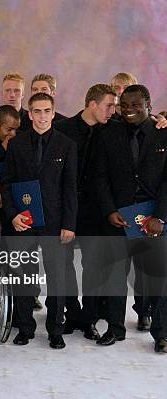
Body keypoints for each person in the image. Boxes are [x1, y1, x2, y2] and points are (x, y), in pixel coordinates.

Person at [93, 84, 167, 353]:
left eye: (135, 105)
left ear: (148, 103)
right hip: (119, 218)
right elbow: (99, 177)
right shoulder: (108, 134)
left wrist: (160, 216)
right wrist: (110, 210)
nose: (129, 110)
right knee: (113, 276)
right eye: (124, 106)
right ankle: (115, 328)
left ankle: (163, 334)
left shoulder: (164, 133)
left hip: (154, 219)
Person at [1, 92, 77, 350]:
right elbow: (7, 183)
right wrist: (13, 215)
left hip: (56, 223)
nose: (42, 116)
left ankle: (55, 330)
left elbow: (70, 188)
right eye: (37, 111)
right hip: (24, 221)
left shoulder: (66, 145)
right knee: (23, 276)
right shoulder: (16, 144)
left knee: (57, 277)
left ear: (53, 113)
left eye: (47, 111)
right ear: (29, 114)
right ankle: (25, 328)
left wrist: (69, 224)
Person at [54, 84, 117, 341]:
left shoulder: (114, 130)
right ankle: (73, 313)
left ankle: (90, 317)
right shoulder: (63, 129)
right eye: (109, 105)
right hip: (66, 208)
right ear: (92, 104)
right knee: (64, 264)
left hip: (98, 211)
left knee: (94, 266)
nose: (113, 111)